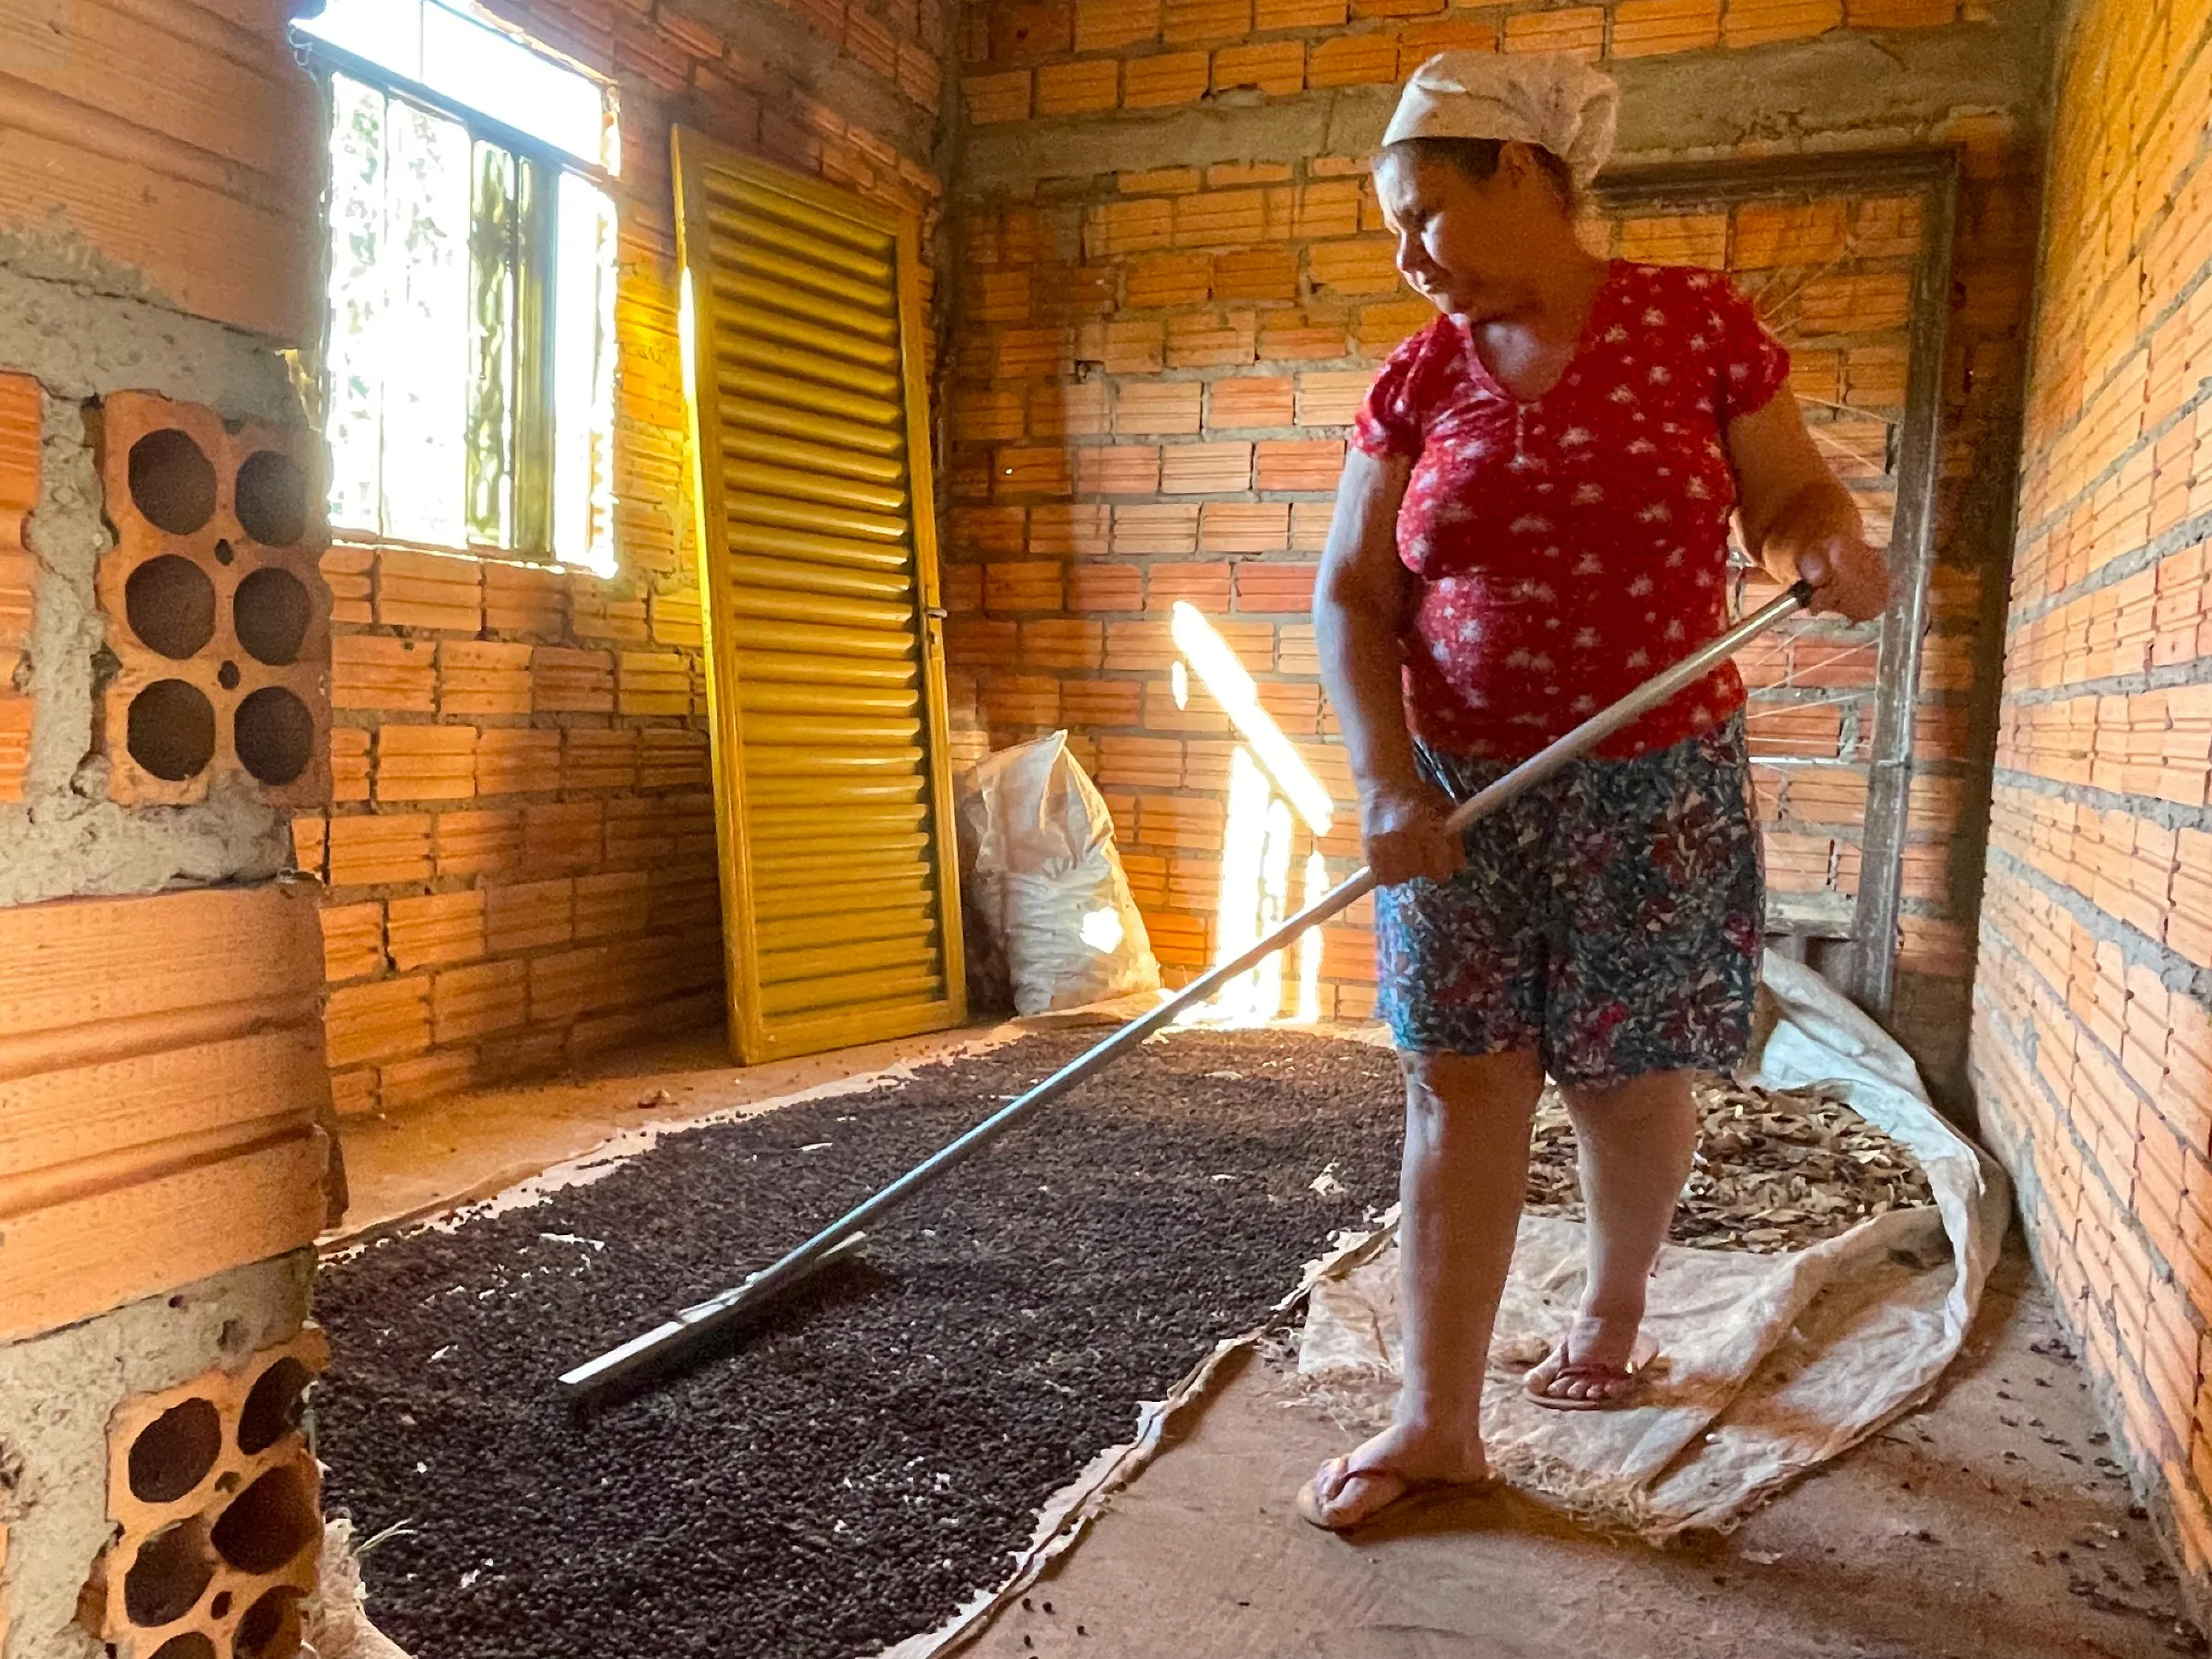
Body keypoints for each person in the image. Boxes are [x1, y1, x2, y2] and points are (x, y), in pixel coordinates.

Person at [1299, 51, 1890, 1533]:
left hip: (1655, 780)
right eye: (1393, 232)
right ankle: (1437, 1423)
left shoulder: (1694, 323)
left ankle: (1614, 1310)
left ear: (1522, 172)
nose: (1408, 255)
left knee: (1626, 1078)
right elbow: (1351, 598)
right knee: (1459, 1077)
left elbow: (1787, 503)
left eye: (1425, 213)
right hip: (1457, 796)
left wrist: (1823, 545)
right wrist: (1382, 782)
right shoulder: (1417, 377)